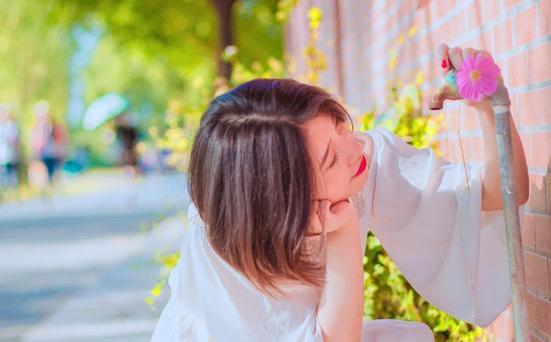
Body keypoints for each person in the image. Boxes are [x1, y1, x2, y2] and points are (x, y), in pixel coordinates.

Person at [150, 45, 529, 342]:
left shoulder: (362, 157)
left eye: (340, 126)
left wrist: (490, 106)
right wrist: (345, 235)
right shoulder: (229, 252)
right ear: (282, 196)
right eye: (330, 159)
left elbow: (500, 195)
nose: (354, 151)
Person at [0, 105, 20, 191]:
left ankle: (12, 190)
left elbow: (15, 140)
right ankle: (4, 190)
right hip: (2, 154)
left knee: (11, 173)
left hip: (11, 153)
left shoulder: (12, 126)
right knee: (3, 173)